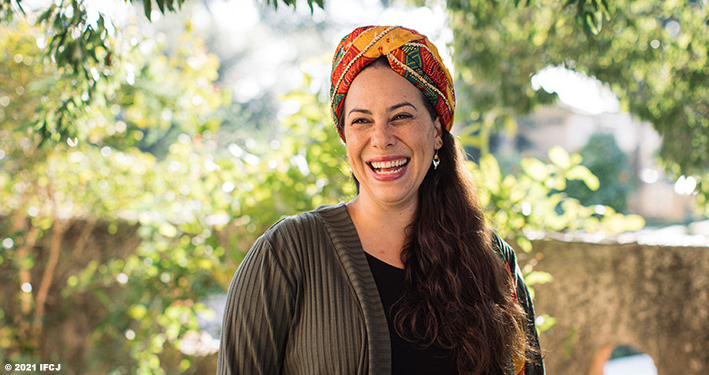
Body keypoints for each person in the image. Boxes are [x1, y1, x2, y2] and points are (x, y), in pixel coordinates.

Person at [217, 25, 544, 375]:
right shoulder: (286, 254)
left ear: (436, 131)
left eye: (401, 116)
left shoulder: (493, 262)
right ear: (345, 137)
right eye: (361, 120)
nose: (381, 138)